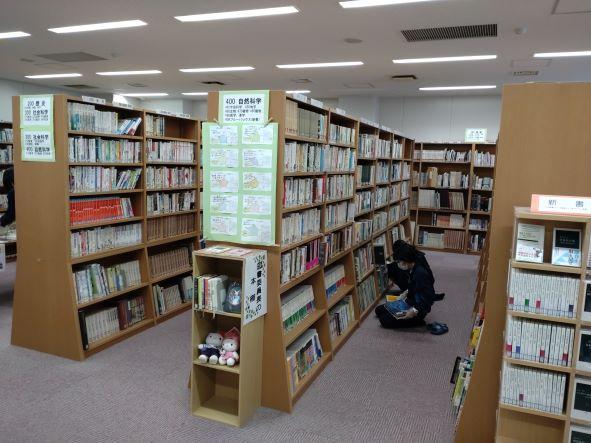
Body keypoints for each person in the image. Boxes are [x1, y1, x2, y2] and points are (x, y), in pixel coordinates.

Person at [375, 240, 436, 328]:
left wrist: (414, 310)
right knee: (379, 310)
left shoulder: (420, 273)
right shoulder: (411, 268)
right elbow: (414, 286)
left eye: (398, 261)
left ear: (405, 261)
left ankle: (418, 321)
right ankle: (408, 315)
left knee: (384, 320)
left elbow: (429, 298)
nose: (398, 264)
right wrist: (406, 292)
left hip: (417, 309)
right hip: (409, 301)